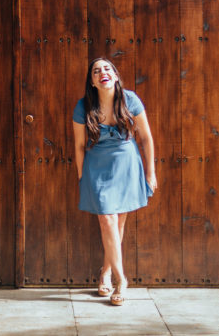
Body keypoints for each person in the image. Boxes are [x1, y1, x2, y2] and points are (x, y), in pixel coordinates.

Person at [72, 58, 157, 306]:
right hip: (96, 165)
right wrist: (81, 176)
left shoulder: (130, 100)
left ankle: (106, 272)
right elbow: (79, 145)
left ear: (116, 76)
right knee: (106, 219)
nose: (102, 73)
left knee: (117, 222)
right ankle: (121, 279)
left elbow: (147, 138)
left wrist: (150, 173)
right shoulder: (83, 105)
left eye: (107, 69)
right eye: (96, 71)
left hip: (126, 163)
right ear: (92, 81)